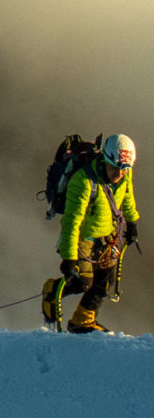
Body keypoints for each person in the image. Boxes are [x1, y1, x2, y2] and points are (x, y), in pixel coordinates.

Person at [42, 133, 139, 333]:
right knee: (82, 282)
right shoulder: (83, 180)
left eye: (124, 170)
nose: (119, 174)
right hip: (82, 238)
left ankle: (82, 320)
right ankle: (53, 290)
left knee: (105, 280)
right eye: (116, 169)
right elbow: (71, 221)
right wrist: (69, 258)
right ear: (106, 160)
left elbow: (127, 196)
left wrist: (132, 222)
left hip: (106, 236)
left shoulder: (123, 173)